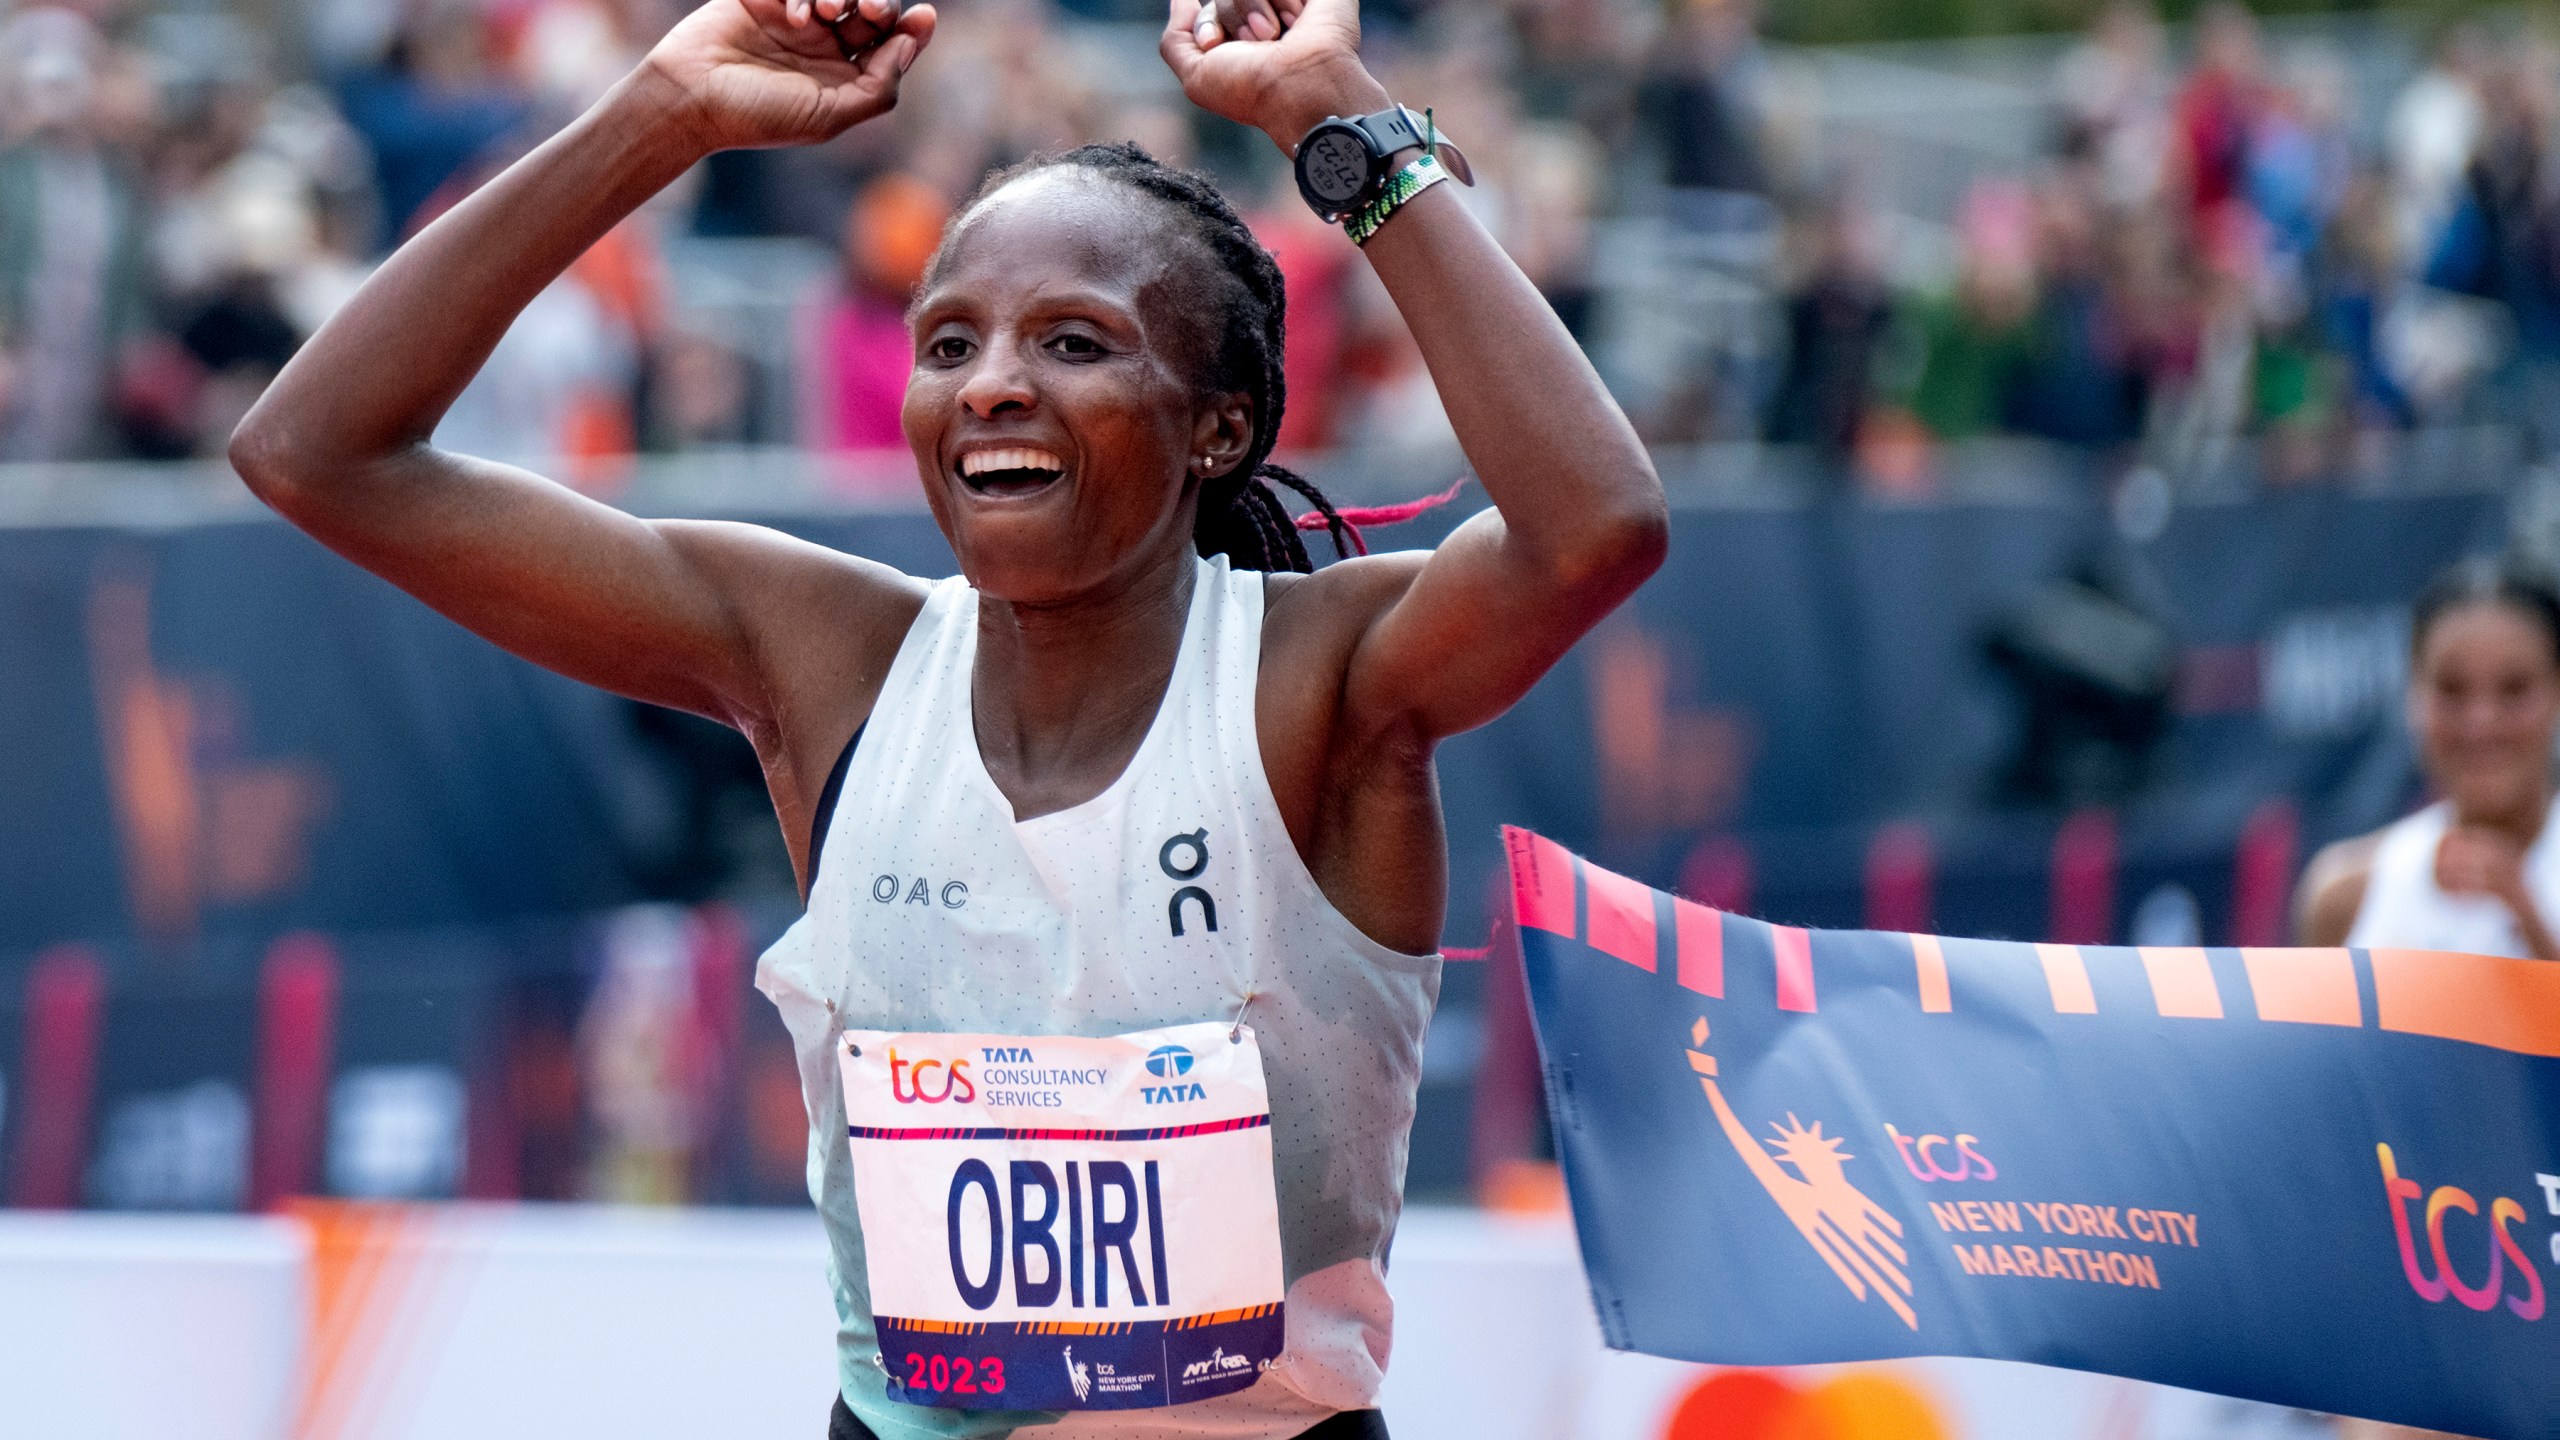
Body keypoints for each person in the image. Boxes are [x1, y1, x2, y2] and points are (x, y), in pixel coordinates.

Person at [227, 0, 1667, 1432]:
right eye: (947, 342)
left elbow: (1592, 530)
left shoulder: (1319, 678)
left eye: (1076, 344)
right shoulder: (832, 659)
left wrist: (1327, 116)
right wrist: (664, 110)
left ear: (1219, 425)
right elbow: (318, 454)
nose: (990, 387)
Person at [2298, 556, 2560, 965]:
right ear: (2412, 699)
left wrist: (2531, 922)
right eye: (2451, 690)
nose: (2481, 723)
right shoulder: (2348, 894)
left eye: (2514, 689)